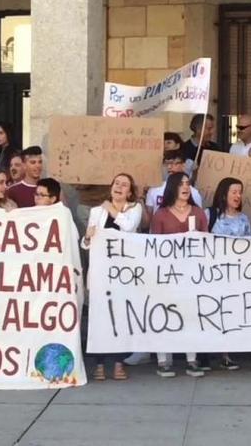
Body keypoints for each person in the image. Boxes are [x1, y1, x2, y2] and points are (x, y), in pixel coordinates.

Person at [83, 173, 144, 381]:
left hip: (123, 274)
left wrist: (112, 209)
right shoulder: (95, 211)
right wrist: (87, 237)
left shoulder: (134, 209)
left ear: (130, 191)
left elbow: (128, 227)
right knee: (99, 319)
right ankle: (99, 364)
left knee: (120, 318)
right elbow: (86, 244)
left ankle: (119, 363)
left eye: (124, 185)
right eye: (116, 183)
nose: (119, 187)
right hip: (101, 275)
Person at [150, 172, 208, 378]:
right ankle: (164, 360)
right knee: (164, 314)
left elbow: (207, 243)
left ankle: (192, 360)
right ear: (173, 187)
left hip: (192, 274)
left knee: (191, 315)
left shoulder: (199, 213)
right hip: (166, 275)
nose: (186, 187)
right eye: (181, 183)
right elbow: (153, 246)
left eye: (188, 183)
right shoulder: (161, 215)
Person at [204, 177, 250, 371]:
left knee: (228, 313)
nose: (238, 196)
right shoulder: (210, 214)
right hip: (212, 274)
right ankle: (205, 354)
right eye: (234, 192)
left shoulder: (244, 219)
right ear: (224, 194)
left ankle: (225, 354)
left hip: (235, 275)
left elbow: (250, 245)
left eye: (240, 192)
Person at [146, 150, 203, 216]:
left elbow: (198, 218)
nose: (169, 167)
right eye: (166, 164)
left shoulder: (194, 193)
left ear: (183, 165)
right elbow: (149, 220)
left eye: (174, 163)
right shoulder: (154, 189)